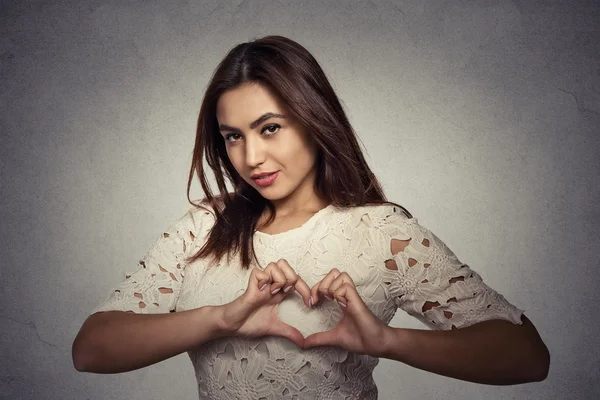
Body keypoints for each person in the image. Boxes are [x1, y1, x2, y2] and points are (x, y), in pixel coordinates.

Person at [72, 35, 550, 399]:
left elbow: (527, 356)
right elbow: (91, 348)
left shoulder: (382, 234)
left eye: (270, 128)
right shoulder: (205, 227)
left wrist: (388, 340)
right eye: (233, 136)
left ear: (314, 118)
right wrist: (222, 318)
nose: (251, 156)